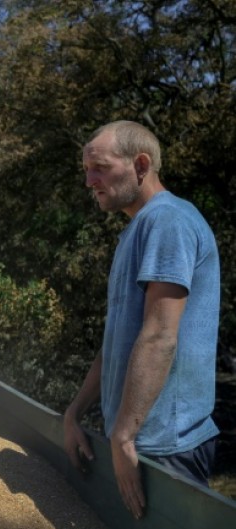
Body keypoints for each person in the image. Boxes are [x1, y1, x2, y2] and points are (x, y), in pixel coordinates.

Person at [63, 120, 220, 520]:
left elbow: (159, 336)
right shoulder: (136, 232)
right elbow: (116, 344)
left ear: (141, 164)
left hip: (166, 447)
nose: (89, 181)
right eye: (86, 170)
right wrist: (75, 411)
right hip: (134, 444)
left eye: (98, 167)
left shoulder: (168, 221)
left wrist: (125, 433)